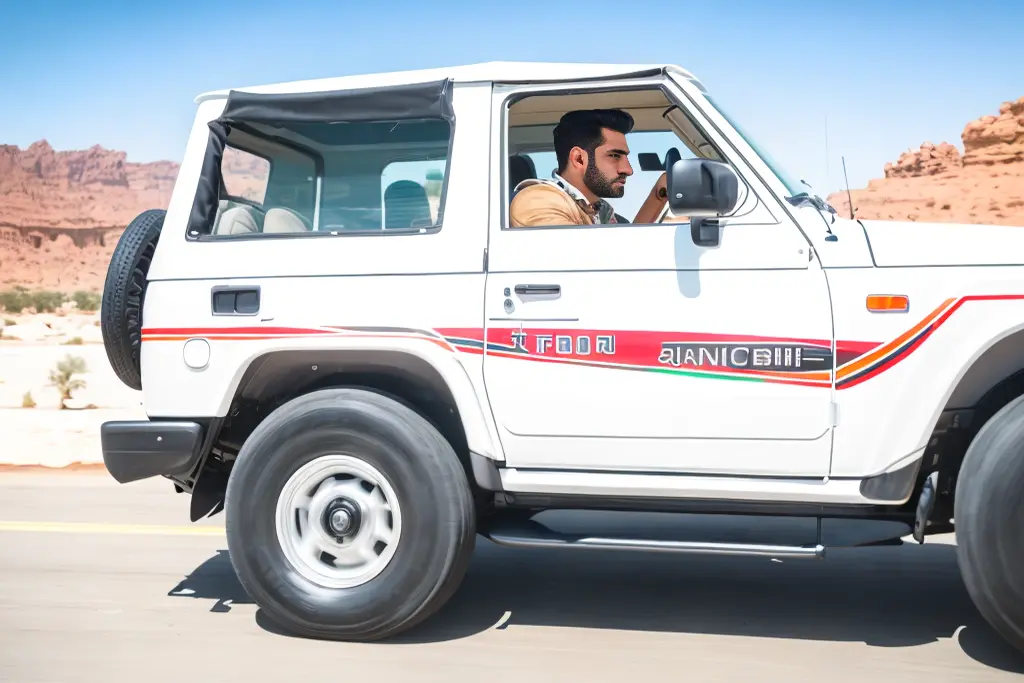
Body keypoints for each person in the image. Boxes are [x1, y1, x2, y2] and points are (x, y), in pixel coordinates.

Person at [509, 108, 669, 228]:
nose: (628, 169)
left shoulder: (598, 210)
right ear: (579, 159)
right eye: (614, 156)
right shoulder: (537, 202)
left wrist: (658, 196)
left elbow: (627, 253)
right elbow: (590, 263)